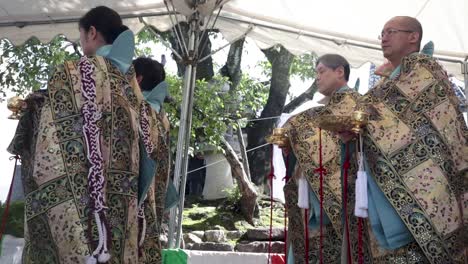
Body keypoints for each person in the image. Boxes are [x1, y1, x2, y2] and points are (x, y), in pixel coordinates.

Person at [8, 6, 162, 263]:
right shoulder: (133, 90)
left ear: (92, 33)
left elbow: (51, 146)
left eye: (81, 36)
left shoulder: (71, 73)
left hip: (86, 213)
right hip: (125, 215)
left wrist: (32, 112)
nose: (81, 44)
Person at [341, 16, 467, 263]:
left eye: (391, 31)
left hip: (427, 185)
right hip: (387, 185)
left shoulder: (424, 68)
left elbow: (389, 112)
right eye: (382, 33)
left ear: (413, 37)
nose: (384, 38)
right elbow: (370, 112)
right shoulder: (386, 85)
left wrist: (359, 119)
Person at [282, 54, 361, 263]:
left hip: (341, 197)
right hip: (313, 198)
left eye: (321, 71)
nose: (317, 77)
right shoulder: (322, 111)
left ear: (340, 72)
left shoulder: (353, 104)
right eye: (316, 72)